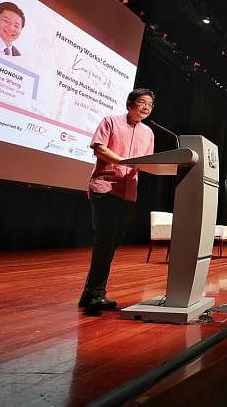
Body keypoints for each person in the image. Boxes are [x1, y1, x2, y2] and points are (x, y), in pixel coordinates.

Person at [79, 88, 155, 315]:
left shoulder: (149, 133)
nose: (145, 108)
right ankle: (95, 294)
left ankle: (91, 293)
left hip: (129, 192)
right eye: (142, 102)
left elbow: (147, 161)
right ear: (129, 103)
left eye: (150, 105)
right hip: (105, 188)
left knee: (111, 243)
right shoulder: (110, 121)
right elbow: (99, 148)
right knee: (104, 240)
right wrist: (123, 161)